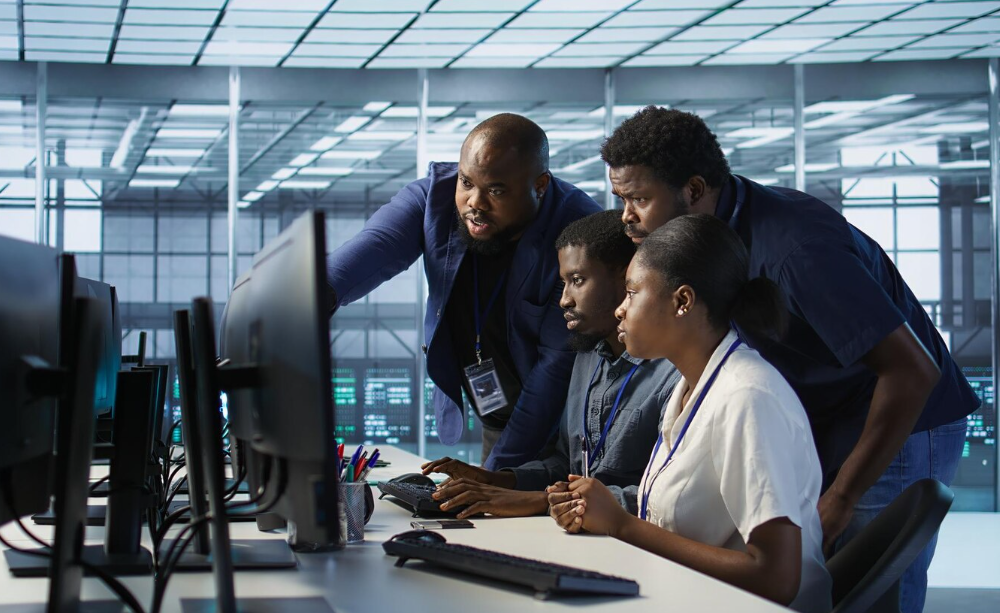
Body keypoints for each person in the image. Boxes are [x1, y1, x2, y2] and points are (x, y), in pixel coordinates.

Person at [597, 106, 977, 612]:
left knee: (871, 594)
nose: (627, 216)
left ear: (692, 189)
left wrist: (842, 496)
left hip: (902, 415)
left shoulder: (795, 250)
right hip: (833, 410)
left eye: (639, 198)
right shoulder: (719, 231)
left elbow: (913, 370)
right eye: (621, 198)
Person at [549, 215, 831, 613]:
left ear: (682, 301)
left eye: (632, 293)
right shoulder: (691, 387)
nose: (620, 310)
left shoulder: (747, 397)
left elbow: (776, 579)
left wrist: (622, 525)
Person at [326, 114, 601, 470]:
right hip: (497, 417)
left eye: (496, 191)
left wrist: (492, 478)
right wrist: (309, 301)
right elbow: (372, 250)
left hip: (565, 429)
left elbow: (554, 371)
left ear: (541, 185)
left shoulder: (577, 233)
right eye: (466, 182)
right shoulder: (434, 197)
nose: (475, 202)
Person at [420, 210, 680, 518]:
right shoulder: (587, 357)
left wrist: (538, 502)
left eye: (578, 280)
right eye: (563, 283)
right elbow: (567, 464)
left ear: (627, 279)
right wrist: (499, 480)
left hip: (635, 548)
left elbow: (665, 496)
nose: (564, 300)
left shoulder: (674, 372)